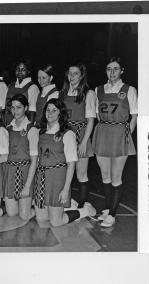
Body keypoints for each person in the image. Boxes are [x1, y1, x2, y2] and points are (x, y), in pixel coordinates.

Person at [33, 98, 96, 225]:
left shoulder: (67, 134)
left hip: (57, 178)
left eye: (54, 110)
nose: (50, 113)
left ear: (60, 113)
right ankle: (66, 206)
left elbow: (71, 164)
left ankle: (85, 211)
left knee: (56, 222)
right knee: (41, 218)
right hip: (42, 177)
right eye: (48, 110)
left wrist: (65, 189)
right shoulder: (41, 132)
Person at [92, 57, 137, 227]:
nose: (112, 72)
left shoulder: (129, 89)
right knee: (105, 175)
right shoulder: (98, 90)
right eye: (109, 69)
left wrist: (126, 135)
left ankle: (112, 214)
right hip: (103, 132)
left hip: (120, 134)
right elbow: (97, 114)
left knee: (116, 177)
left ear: (122, 71)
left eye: (116, 69)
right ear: (105, 71)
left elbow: (134, 116)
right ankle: (107, 208)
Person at [60, 63, 96, 209]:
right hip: (65, 135)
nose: (72, 76)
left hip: (81, 135)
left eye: (76, 73)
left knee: (81, 174)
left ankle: (82, 206)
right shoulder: (61, 93)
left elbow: (91, 121)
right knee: (64, 172)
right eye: (70, 73)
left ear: (81, 76)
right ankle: (65, 202)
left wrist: (83, 143)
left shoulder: (88, 93)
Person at [4, 94, 38, 220]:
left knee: (24, 216)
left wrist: (27, 186)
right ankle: (28, 204)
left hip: (25, 173)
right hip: (11, 172)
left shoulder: (31, 129)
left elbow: (34, 161)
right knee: (12, 213)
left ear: (26, 108)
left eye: (18, 107)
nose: (15, 111)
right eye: (13, 108)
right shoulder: (8, 128)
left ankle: (40, 209)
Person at [3, 60, 39, 125]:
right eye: (18, 69)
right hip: (8, 123)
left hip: (22, 126)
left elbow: (32, 112)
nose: (20, 71)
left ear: (28, 71)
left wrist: (28, 129)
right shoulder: (10, 86)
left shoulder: (33, 87)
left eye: (23, 69)